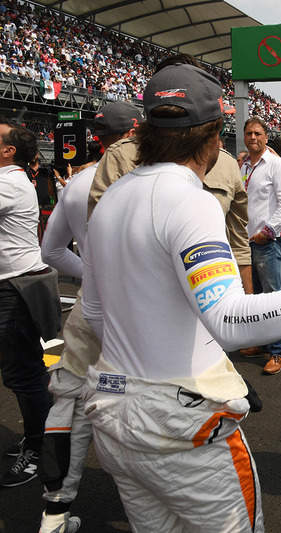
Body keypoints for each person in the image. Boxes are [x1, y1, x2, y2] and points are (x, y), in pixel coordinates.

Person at [79, 64, 281, 533]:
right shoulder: (190, 199)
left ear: (144, 129)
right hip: (179, 427)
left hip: (113, 410)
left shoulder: (112, 198)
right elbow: (230, 320)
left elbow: (93, 311)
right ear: (213, 137)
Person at [37, 101, 142, 533]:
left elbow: (50, 251)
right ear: (136, 127)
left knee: (68, 399)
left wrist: (92, 275)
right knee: (152, 394)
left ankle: (55, 510)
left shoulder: (79, 182)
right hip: (145, 308)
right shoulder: (163, 174)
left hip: (92, 303)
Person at [86, 54, 253, 296]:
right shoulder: (120, 156)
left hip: (208, 292)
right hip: (138, 297)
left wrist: (247, 298)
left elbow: (238, 246)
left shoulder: (226, 164)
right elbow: (99, 244)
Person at [0, 119, 60, 489]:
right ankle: (43, 436)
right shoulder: (12, 179)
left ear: (8, 150)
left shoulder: (8, 181)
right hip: (18, 284)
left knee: (24, 375)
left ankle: (41, 448)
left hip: (15, 288)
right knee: (29, 372)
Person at [240, 116, 281, 373]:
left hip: (268, 241)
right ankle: (264, 344)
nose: (253, 137)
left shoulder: (277, 165)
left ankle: (278, 352)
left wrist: (268, 231)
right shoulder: (245, 168)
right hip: (247, 242)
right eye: (249, 133)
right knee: (259, 299)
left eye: (258, 133)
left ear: (266, 137)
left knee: (273, 297)